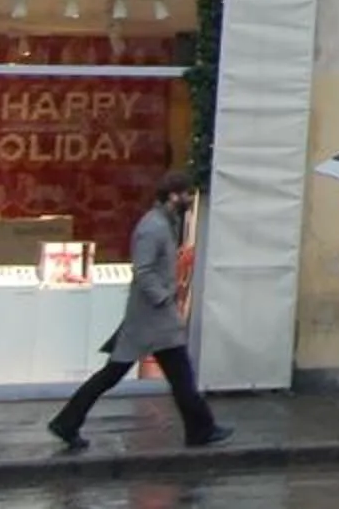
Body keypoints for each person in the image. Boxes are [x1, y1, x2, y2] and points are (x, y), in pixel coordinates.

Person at [47, 172, 232, 452]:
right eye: (185, 194)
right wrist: (164, 298)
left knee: (150, 373)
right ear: (172, 196)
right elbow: (143, 270)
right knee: (158, 373)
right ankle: (200, 429)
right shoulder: (153, 227)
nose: (188, 200)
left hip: (151, 318)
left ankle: (67, 422)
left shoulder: (164, 223)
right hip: (151, 318)